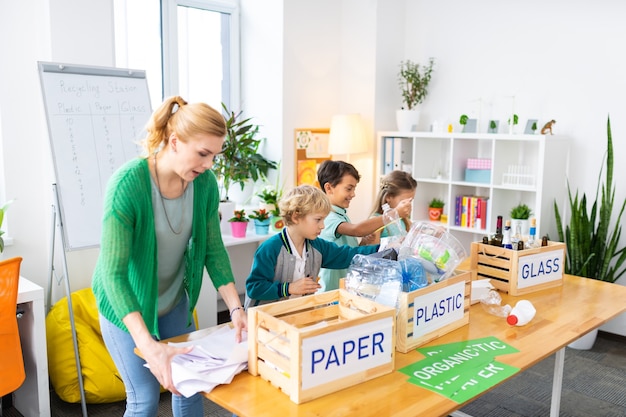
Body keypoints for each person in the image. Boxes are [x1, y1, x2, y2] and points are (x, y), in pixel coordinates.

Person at [92, 96, 246, 417]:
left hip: (173, 301)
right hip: (126, 305)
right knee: (145, 399)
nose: (208, 165)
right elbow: (113, 274)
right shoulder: (128, 184)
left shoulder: (203, 184)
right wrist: (148, 345)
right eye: (202, 154)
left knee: (189, 387)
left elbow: (214, 251)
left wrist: (235, 308)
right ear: (174, 141)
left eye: (214, 156)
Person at [244, 184, 379, 308]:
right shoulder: (270, 248)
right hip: (264, 321)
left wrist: (383, 249)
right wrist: (289, 288)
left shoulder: (316, 246)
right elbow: (254, 287)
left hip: (296, 316)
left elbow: (346, 255)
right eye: (318, 220)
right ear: (296, 217)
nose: (323, 226)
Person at [316, 160, 412, 291]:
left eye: (354, 189)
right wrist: (394, 214)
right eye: (349, 188)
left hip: (345, 287)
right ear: (329, 188)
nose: (353, 194)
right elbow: (357, 230)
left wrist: (363, 243)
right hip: (330, 290)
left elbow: (349, 250)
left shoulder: (341, 215)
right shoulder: (328, 216)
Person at [369, 170, 417, 244]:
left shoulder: (403, 220)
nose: (408, 206)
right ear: (388, 197)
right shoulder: (376, 222)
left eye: (410, 201)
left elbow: (417, 232)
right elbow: (372, 253)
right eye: (404, 202)